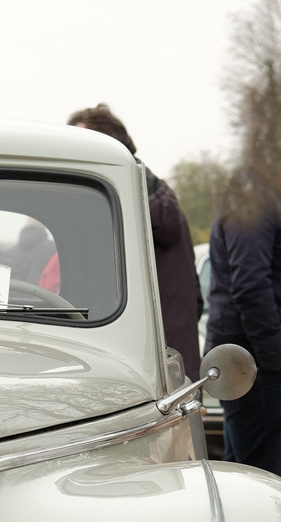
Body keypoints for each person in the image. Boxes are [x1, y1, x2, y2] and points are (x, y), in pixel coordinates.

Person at [67, 104, 204, 379]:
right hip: (174, 368)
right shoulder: (158, 197)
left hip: (137, 374)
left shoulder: (110, 207)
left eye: (77, 145)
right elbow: (195, 300)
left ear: (107, 148)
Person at [205, 168, 281, 477]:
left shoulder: (262, 197)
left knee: (247, 479)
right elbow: (249, 286)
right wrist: (275, 362)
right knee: (261, 483)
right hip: (257, 366)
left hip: (256, 364)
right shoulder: (252, 199)